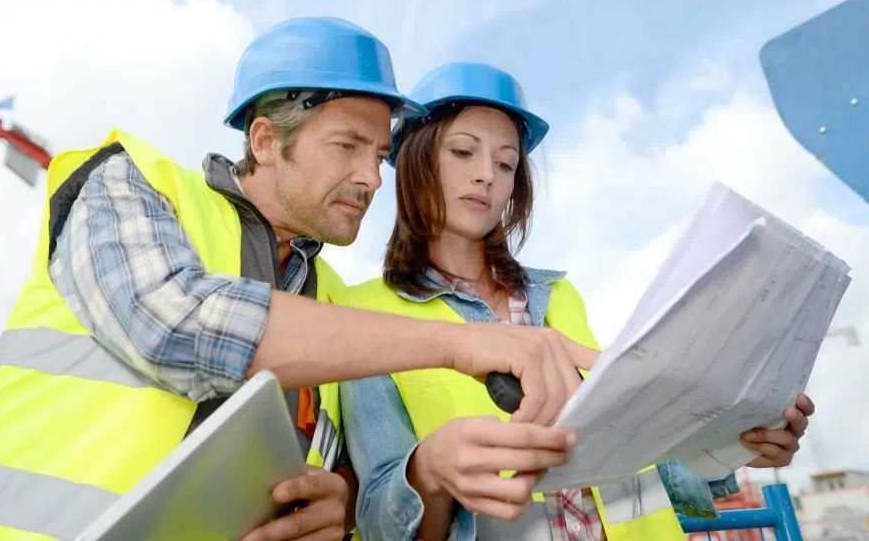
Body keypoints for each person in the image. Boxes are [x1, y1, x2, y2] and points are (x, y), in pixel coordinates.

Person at [0, 20, 598, 541]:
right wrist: (462, 344)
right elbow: (178, 325)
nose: (371, 178)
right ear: (265, 141)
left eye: (380, 154)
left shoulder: (335, 303)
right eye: (347, 147)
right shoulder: (130, 180)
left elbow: (333, 473)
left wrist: (335, 507)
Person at [338, 61, 815, 540]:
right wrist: (429, 471)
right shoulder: (365, 318)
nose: (486, 175)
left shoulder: (561, 297)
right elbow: (380, 519)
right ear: (417, 163)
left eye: (506, 163)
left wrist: (734, 445)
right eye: (463, 151)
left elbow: (640, 461)